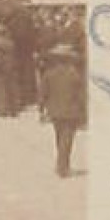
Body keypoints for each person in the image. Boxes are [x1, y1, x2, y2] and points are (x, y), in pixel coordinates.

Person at [39, 43, 87, 178]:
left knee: (59, 138)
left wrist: (41, 110)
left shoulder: (49, 74)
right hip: (71, 111)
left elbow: (43, 93)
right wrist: (84, 112)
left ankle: (61, 164)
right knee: (67, 140)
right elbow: (81, 95)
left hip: (54, 111)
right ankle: (63, 166)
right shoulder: (75, 75)